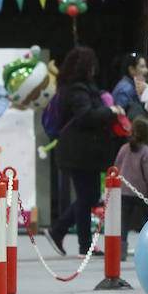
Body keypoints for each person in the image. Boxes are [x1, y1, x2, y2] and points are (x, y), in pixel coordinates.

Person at [42, 46, 124, 258]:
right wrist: (111, 111)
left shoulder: (75, 87)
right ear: (86, 66)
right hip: (78, 152)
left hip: (80, 152)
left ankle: (62, 232)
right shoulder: (77, 90)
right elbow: (86, 116)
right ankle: (82, 244)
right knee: (87, 196)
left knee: (88, 195)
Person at [112, 116, 148, 261]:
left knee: (123, 224)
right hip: (142, 194)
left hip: (123, 192)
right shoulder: (146, 151)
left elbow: (116, 168)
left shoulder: (123, 148)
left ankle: (120, 253)